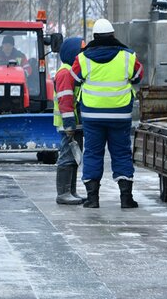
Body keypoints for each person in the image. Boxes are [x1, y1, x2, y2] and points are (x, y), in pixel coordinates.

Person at [71, 18, 143, 209]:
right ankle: (126, 197)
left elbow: (75, 78)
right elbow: (138, 76)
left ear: (94, 37)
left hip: (92, 116)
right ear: (113, 35)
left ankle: (92, 198)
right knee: (121, 153)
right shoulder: (128, 56)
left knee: (93, 153)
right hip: (120, 115)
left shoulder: (82, 58)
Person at [53, 37, 85, 205]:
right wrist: (69, 125)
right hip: (69, 125)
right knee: (67, 157)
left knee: (73, 157)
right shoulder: (65, 73)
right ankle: (64, 193)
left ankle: (71, 191)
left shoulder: (70, 72)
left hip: (74, 124)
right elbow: (65, 101)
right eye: (80, 53)